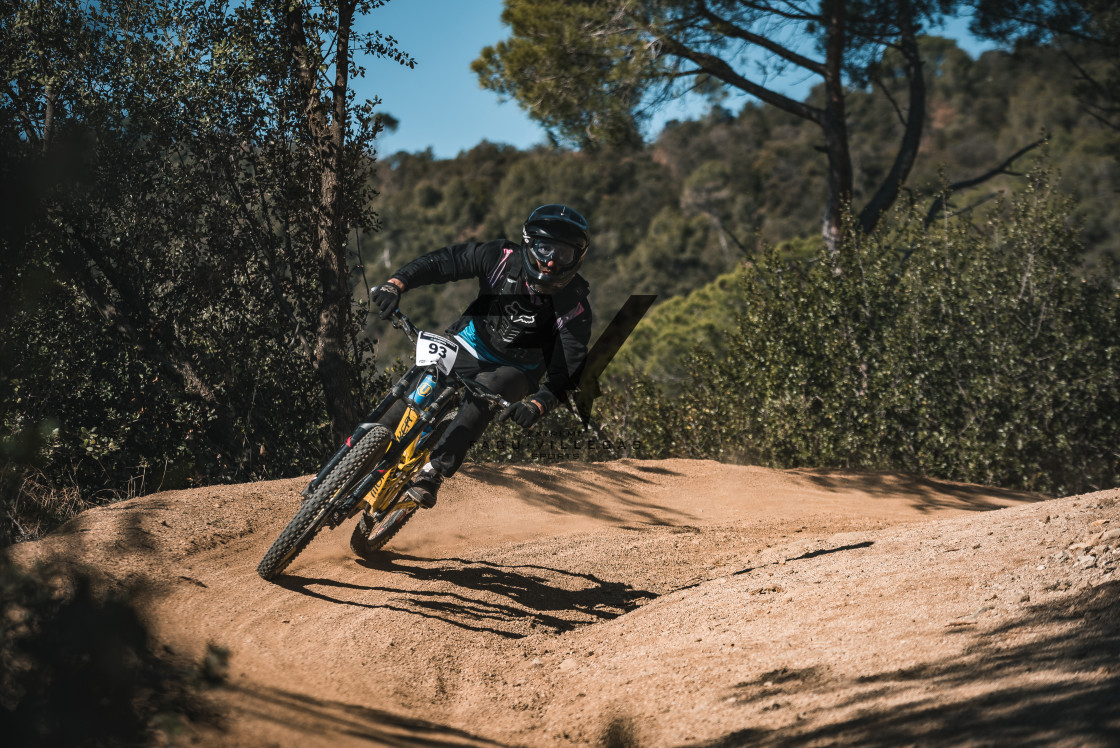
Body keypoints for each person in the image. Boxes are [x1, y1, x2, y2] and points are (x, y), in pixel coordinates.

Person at [369, 204, 593, 508]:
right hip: (467, 343)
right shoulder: (500, 258)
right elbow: (444, 262)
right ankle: (359, 453)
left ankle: (432, 473)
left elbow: (569, 366)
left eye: (563, 254)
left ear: (576, 259)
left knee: (485, 396)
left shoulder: (575, 306)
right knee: (402, 405)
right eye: (544, 249)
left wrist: (540, 403)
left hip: (516, 369)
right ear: (529, 245)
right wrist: (396, 283)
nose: (551, 262)